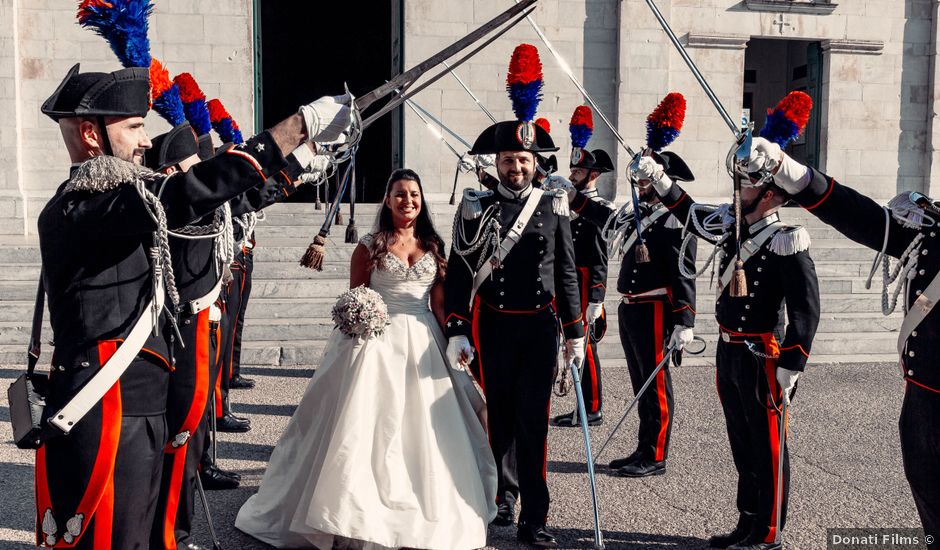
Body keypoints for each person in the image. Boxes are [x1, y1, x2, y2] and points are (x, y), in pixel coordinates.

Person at [33, 62, 351, 549]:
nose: (145, 140)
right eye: (134, 126)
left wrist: (304, 156)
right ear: (92, 134)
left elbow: (209, 199)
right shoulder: (85, 206)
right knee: (111, 536)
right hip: (106, 398)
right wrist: (297, 129)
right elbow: (188, 192)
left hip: (138, 393)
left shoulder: (116, 200)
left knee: (140, 527)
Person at [236, 169, 497, 549]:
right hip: (376, 340)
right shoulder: (369, 245)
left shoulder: (433, 244)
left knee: (427, 424)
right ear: (387, 200)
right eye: (400, 194)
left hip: (424, 338)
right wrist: (360, 322)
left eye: (414, 194)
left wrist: (456, 340)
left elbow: (439, 303)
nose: (408, 200)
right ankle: (352, 511)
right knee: (368, 423)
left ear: (421, 201)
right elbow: (356, 296)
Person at [748, 136, 939, 549]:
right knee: (929, 499)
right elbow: (863, 217)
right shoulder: (934, 231)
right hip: (923, 396)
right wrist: (789, 170)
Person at [636, 144, 820, 548]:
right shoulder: (734, 229)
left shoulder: (787, 240)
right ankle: (747, 519)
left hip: (761, 354)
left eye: (745, 186)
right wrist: (661, 181)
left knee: (767, 444)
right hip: (729, 351)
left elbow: (807, 308)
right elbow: (690, 214)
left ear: (769, 194)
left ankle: (767, 532)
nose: (736, 192)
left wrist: (794, 362)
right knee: (741, 440)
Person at [445, 117, 584, 548]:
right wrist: (457, 327)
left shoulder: (553, 205)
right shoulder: (475, 206)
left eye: (523, 160)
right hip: (494, 325)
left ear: (534, 162)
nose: (516, 168)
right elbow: (460, 272)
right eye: (509, 160)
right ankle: (501, 498)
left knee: (533, 423)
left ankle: (534, 517)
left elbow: (566, 272)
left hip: (540, 327)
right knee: (498, 418)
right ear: (498, 162)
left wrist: (576, 333)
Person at [569, 148, 697, 477]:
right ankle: (643, 447)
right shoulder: (638, 212)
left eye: (648, 180)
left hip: (655, 309)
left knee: (654, 385)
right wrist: (574, 197)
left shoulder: (674, 219)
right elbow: (604, 218)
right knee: (640, 383)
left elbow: (683, 271)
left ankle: (655, 454)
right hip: (632, 308)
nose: (640, 184)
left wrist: (685, 319)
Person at [552, 106, 615, 428]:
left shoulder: (600, 208)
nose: (573, 175)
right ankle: (580, 406)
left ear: (593, 175)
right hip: (566, 284)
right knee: (571, 346)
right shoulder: (567, 200)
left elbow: (600, 258)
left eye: (578, 172)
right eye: (572, 170)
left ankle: (591, 408)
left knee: (585, 349)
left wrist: (597, 299)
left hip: (586, 285)